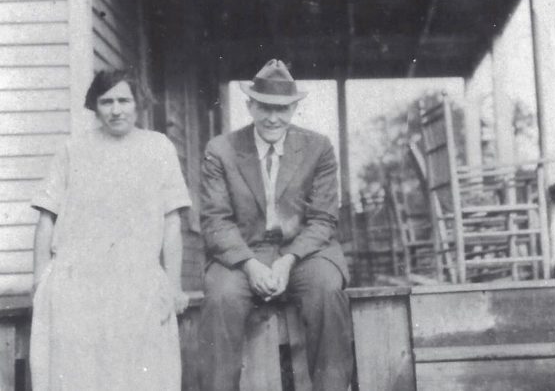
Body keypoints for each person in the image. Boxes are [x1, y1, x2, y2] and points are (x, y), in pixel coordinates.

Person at [30, 70, 191, 390]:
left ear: (138, 103)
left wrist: (173, 286)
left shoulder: (158, 148)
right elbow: (46, 219)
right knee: (80, 374)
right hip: (79, 284)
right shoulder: (72, 150)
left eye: (124, 100)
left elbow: (172, 222)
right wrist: (39, 284)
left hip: (138, 282)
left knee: (140, 374)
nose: (116, 110)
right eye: (107, 102)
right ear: (95, 105)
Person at [198, 59, 353, 391]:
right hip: (243, 254)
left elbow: (323, 219)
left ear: (295, 108)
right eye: (264, 107)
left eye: (282, 109)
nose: (272, 117)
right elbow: (215, 220)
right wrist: (250, 265)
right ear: (249, 105)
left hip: (303, 255)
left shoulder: (318, 148)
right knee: (221, 297)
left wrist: (288, 260)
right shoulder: (220, 150)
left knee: (326, 288)